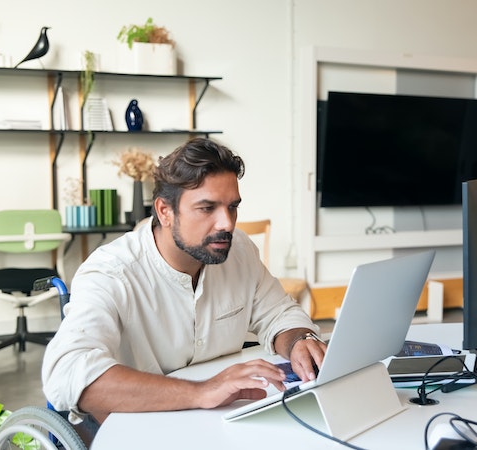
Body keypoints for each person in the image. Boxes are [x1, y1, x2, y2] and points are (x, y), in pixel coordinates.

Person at [42, 137, 326, 428]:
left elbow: (280, 314)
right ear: (165, 211)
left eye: (232, 207)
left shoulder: (239, 250)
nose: (226, 223)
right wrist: (203, 391)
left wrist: (299, 341)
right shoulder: (111, 271)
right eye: (207, 208)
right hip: (138, 425)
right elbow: (67, 372)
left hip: (224, 419)